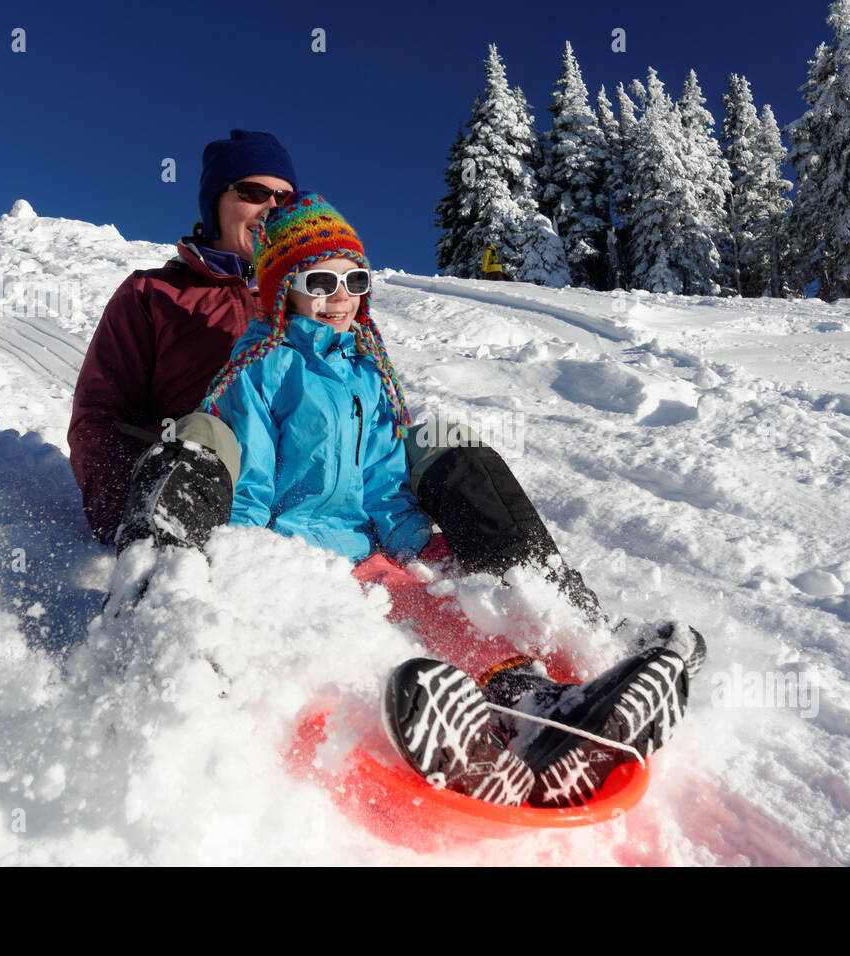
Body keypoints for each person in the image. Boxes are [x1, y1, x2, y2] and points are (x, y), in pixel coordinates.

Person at [200, 193, 705, 808]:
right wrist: (247, 562)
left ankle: (530, 701)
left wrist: (424, 548)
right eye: (321, 281)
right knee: (375, 634)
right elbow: (247, 482)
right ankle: (454, 733)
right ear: (283, 288)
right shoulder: (261, 367)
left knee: (446, 603)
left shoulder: (368, 371)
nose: (340, 297)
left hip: (369, 549)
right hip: (302, 558)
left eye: (354, 280)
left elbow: (385, 483)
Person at [69, 129, 605, 623]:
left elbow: (366, 424)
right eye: (254, 192)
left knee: (440, 437)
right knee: (201, 433)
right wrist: (127, 513)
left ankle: (543, 595)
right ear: (216, 202)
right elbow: (99, 417)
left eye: (284, 197)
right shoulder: (155, 295)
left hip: (316, 464)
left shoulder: (323, 306)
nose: (271, 208)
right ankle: (159, 600)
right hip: (221, 479)